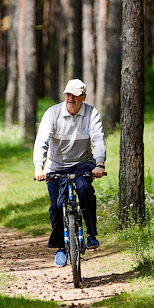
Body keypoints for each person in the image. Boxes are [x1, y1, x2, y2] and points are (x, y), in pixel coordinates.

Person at [34, 79, 106, 266]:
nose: (70, 98)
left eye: (75, 95)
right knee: (57, 206)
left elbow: (98, 139)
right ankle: (60, 247)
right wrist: (39, 167)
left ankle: (91, 234)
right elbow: (42, 140)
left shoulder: (91, 113)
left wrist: (100, 164)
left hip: (82, 162)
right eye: (68, 94)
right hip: (56, 165)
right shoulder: (53, 113)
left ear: (83, 97)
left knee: (84, 189)